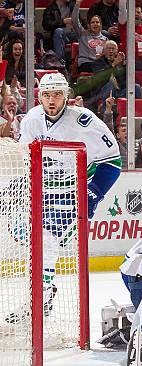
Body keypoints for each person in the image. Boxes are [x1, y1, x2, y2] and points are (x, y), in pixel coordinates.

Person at [14, 72, 120, 322]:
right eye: (47, 94)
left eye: (57, 94)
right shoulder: (31, 120)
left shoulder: (84, 121)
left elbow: (113, 161)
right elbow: (27, 158)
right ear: (40, 96)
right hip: (45, 191)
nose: (52, 100)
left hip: (74, 193)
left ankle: (40, 299)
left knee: (48, 242)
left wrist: (93, 194)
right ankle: (43, 293)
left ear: (67, 96)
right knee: (33, 242)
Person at [73, 0, 108, 73]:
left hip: (99, 64)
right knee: (102, 68)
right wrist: (77, 4)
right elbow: (75, 20)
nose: (95, 24)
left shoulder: (105, 39)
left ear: (101, 25)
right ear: (89, 25)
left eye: (97, 22)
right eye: (93, 22)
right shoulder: (82, 34)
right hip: (85, 63)